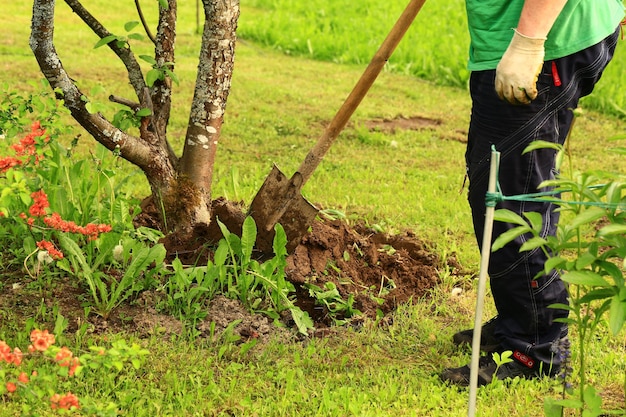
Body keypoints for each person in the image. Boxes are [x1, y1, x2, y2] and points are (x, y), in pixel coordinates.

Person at [440, 0, 625, 386]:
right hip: (543, 31)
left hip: (542, 39)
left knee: (510, 200)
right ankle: (523, 321)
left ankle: (535, 348)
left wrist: (528, 41)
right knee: (514, 185)